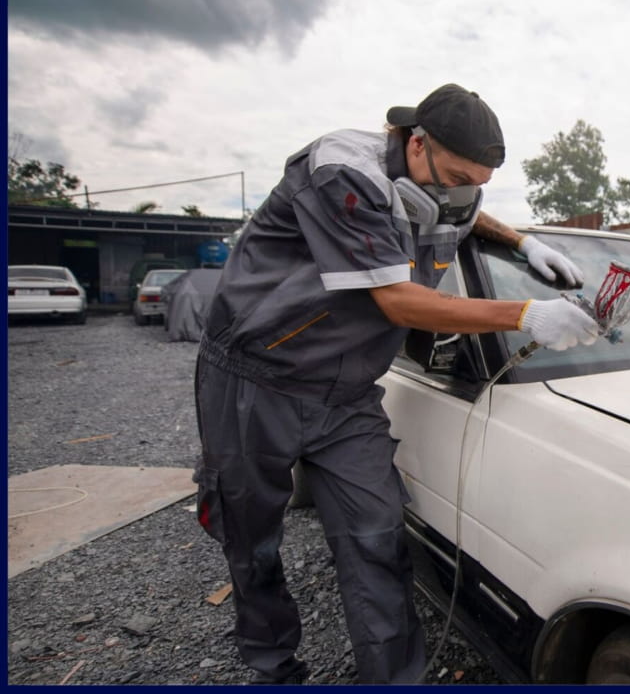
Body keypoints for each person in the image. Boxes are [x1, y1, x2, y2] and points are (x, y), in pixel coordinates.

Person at [192, 83, 599, 684]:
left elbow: (461, 210)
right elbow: (397, 301)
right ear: (417, 144)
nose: (464, 192)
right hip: (257, 376)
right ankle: (272, 665)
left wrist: (521, 240)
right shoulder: (341, 171)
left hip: (346, 392)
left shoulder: (445, 184)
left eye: (477, 182)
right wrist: (523, 314)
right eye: (458, 174)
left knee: (377, 539)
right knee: (252, 537)